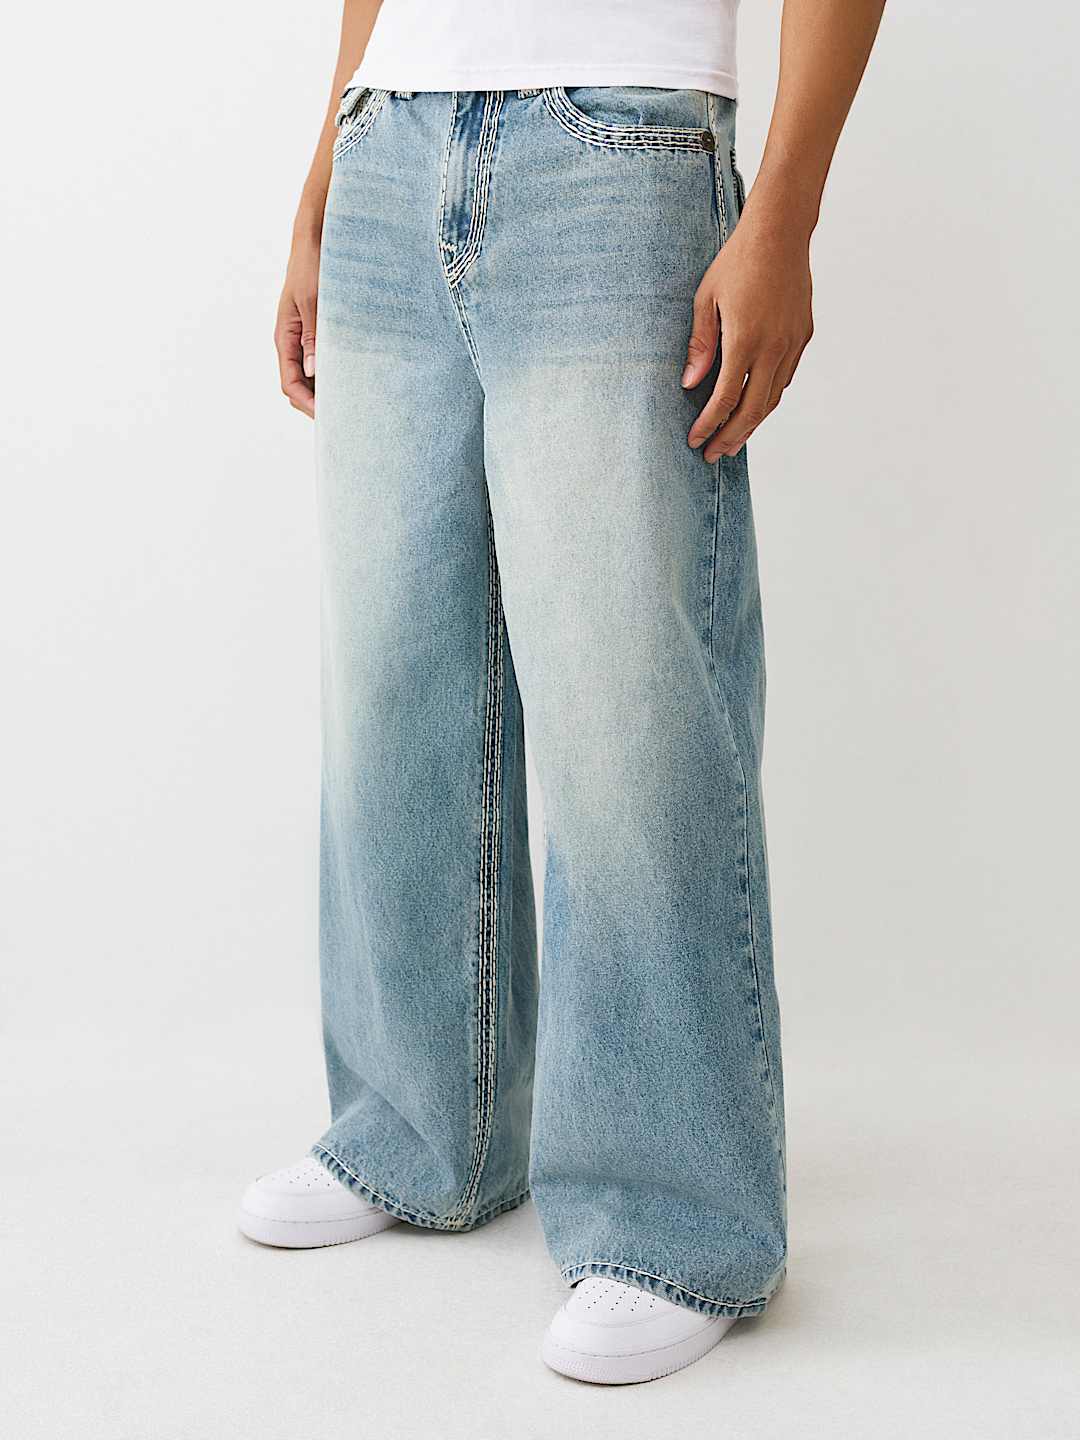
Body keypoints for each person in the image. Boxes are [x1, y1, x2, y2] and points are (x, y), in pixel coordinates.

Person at [239, 0, 885, 1385]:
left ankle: (676, 1218)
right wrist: (325, 174)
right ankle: (421, 1134)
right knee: (393, 689)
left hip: (622, 144)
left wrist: (784, 213)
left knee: (625, 712)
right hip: (392, 138)